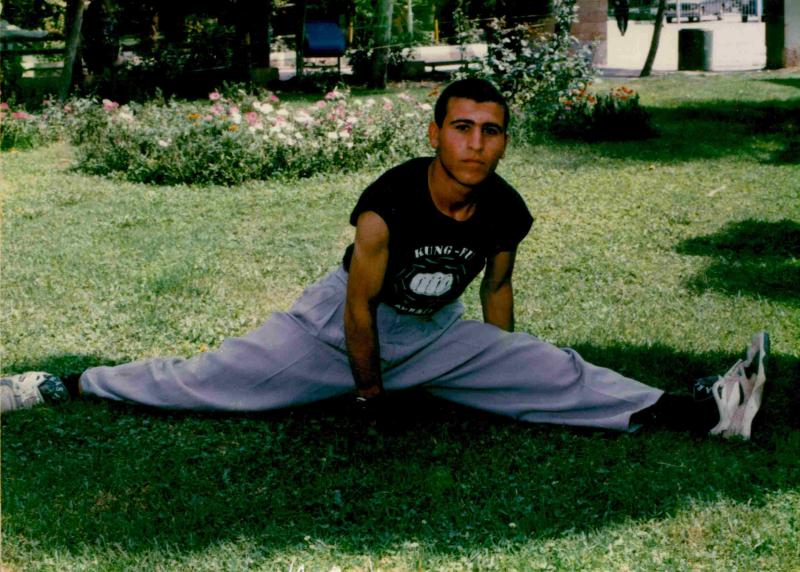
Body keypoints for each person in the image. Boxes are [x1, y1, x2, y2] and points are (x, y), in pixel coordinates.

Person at [0, 79, 770, 440]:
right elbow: (357, 307)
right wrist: (370, 396)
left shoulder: (506, 208)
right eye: (462, 128)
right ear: (436, 134)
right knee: (207, 382)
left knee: (555, 370)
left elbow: (497, 290)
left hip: (434, 330)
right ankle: (65, 383)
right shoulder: (388, 204)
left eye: (491, 131)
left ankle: (707, 411)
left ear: (504, 141)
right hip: (330, 332)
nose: (476, 143)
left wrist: (503, 362)